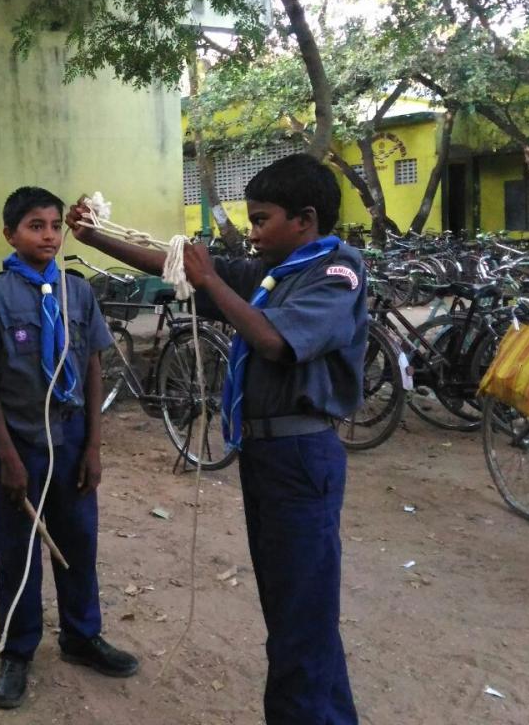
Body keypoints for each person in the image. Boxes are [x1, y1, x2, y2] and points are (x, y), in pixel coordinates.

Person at [66, 154, 366, 724]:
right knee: (292, 611)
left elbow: (275, 340)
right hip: (267, 454)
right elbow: (175, 266)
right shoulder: (275, 270)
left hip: (301, 456)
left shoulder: (334, 273)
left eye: (262, 220)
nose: (252, 233)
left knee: (301, 618)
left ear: (305, 219)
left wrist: (210, 281)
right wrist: (95, 236)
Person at [0, 186, 140, 710]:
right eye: (35, 226)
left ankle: (81, 636)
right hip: (22, 446)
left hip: (73, 440)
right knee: (18, 551)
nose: (48, 236)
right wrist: (8, 457)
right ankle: (17, 650)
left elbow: (93, 365)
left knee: (79, 542)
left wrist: (94, 446)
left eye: (55, 226)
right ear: (10, 235)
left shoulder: (77, 292)